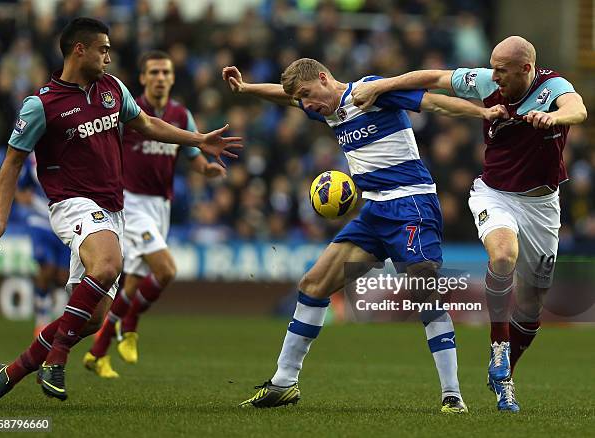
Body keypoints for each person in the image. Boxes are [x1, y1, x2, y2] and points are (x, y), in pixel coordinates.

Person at [222, 59, 506, 413]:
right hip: (373, 213)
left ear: (324, 78)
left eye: (308, 95)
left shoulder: (369, 92)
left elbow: (431, 102)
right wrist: (247, 88)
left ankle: (453, 395)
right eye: (302, 100)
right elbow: (285, 97)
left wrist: (485, 113)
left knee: (423, 293)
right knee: (313, 284)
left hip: (411, 204)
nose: (306, 105)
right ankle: (284, 383)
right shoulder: (325, 110)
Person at [0, 17, 241, 405]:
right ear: (79, 50)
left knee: (94, 317)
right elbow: (12, 163)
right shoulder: (41, 104)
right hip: (72, 204)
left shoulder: (112, 89)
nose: (108, 55)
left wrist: (199, 139)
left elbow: (149, 124)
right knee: (108, 266)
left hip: (112, 209)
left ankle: (11, 372)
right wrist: (0, 219)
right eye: (102, 48)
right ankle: (57, 360)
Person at [351, 35, 588, 412]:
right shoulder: (486, 81)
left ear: (526, 69)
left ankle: (505, 375)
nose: (493, 77)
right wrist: (383, 84)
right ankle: (498, 344)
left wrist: (554, 116)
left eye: (502, 70)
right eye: (491, 67)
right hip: (494, 195)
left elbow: (577, 109)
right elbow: (432, 78)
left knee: (532, 305)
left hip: (542, 205)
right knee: (503, 257)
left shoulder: (553, 87)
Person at [83, 50, 226, 378]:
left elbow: (193, 156)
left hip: (161, 206)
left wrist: (208, 171)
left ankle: (97, 353)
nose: (160, 78)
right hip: (130, 203)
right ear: (144, 78)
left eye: (166, 72)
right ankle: (130, 328)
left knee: (133, 282)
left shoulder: (180, 115)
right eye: (154, 72)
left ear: (173, 78)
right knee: (165, 270)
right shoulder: (129, 111)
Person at [15, 154, 70, 337]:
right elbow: (20, 189)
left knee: (63, 277)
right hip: (40, 222)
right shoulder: (31, 160)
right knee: (46, 268)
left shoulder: (69, 152)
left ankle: (65, 316)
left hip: (64, 222)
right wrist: (26, 199)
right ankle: (42, 319)